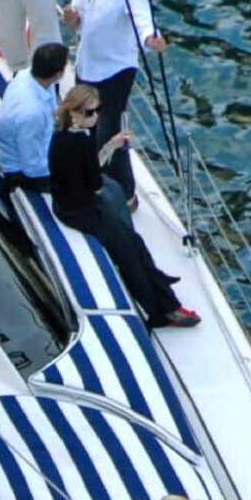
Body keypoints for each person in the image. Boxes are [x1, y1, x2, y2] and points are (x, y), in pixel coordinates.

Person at [49, 86, 198, 330]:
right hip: (81, 211)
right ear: (74, 112)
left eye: (98, 111)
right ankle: (160, 309)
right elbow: (95, 182)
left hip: (68, 204)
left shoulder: (62, 134)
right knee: (129, 252)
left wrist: (110, 146)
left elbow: (87, 173)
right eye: (89, 112)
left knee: (133, 241)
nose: (95, 116)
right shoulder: (80, 141)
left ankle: (162, 289)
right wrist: (107, 152)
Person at [62, 0, 164, 201]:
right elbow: (80, 15)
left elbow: (143, 19)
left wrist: (151, 39)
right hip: (87, 65)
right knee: (84, 123)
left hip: (115, 71)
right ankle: (92, 176)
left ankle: (126, 192)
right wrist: (73, 19)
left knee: (108, 130)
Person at [0, 42, 67, 202]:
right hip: (23, 173)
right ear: (58, 74)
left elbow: (53, 109)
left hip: (41, 143)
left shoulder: (27, 75)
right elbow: (32, 167)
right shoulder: (31, 113)